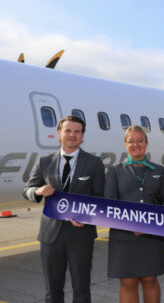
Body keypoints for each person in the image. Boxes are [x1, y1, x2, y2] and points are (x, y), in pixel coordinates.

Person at [23, 115, 105, 303]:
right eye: (68, 131)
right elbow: (27, 190)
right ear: (59, 133)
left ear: (82, 135)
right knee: (52, 291)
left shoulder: (94, 163)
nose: (72, 135)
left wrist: (87, 218)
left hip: (81, 235)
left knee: (82, 290)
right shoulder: (45, 161)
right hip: (51, 236)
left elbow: (101, 200)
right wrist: (38, 190)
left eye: (77, 131)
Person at [105, 125, 164, 303]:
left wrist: (151, 225)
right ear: (125, 145)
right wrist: (131, 226)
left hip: (152, 235)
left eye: (140, 140)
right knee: (128, 282)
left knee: (150, 280)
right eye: (131, 141)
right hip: (123, 236)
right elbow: (110, 204)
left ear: (147, 143)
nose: (136, 144)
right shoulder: (115, 171)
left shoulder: (158, 170)